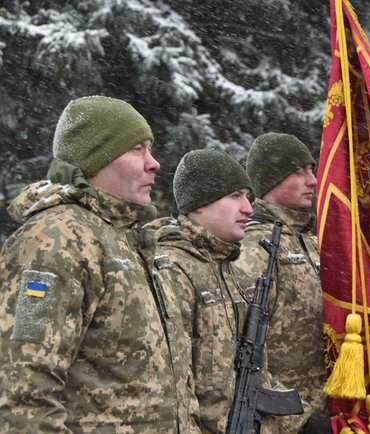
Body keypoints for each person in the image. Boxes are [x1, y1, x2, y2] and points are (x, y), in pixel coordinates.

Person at [0, 96, 199, 433]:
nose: (154, 164)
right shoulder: (57, 239)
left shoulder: (127, 238)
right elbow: (24, 391)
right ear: (96, 160)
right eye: (137, 149)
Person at [149, 149, 280, 434]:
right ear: (199, 204)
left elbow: (258, 372)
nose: (247, 208)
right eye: (235, 196)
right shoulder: (172, 270)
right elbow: (170, 389)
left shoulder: (235, 273)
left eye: (248, 197)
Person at [236, 132, 328, 433]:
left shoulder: (313, 242)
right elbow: (240, 346)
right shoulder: (255, 247)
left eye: (311, 170)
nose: (312, 180)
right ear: (271, 180)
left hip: (331, 410)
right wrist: (298, 421)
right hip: (284, 422)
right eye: (298, 171)